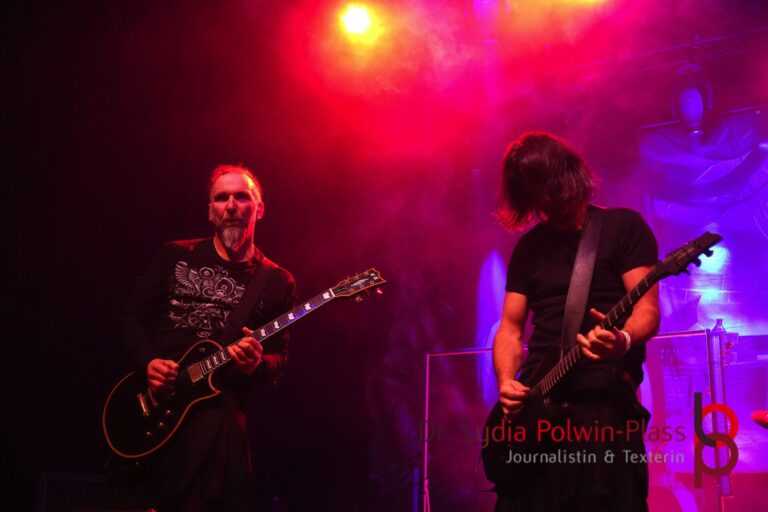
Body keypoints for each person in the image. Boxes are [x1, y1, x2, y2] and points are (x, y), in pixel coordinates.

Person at [110, 164, 297, 511]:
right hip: (154, 403)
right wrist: (148, 361)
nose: (231, 205)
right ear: (210, 211)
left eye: (242, 197)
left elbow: (279, 359)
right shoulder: (175, 255)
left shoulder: (276, 281)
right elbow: (130, 317)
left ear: (259, 209)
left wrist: (255, 365)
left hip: (215, 422)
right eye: (221, 198)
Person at [492, 132, 661, 511]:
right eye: (532, 193)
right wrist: (505, 382)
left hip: (601, 401)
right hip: (536, 404)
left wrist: (622, 340)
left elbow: (648, 310)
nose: (543, 202)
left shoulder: (622, 227)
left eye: (546, 187)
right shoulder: (528, 249)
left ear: (566, 176)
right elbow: (510, 330)